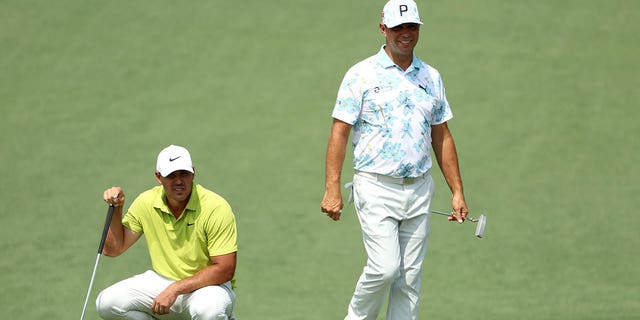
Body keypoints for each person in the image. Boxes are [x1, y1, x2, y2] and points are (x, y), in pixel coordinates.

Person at [320, 1, 470, 319]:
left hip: (419, 189)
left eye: (411, 27)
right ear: (383, 29)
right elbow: (339, 133)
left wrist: (457, 190)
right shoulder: (360, 75)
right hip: (375, 186)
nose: (406, 34)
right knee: (385, 267)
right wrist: (332, 188)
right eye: (398, 27)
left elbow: (441, 135)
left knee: (409, 280)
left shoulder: (431, 77)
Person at [96, 145, 238, 320]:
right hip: (161, 281)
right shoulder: (146, 202)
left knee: (209, 312)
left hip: (208, 287)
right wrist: (116, 208)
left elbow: (225, 269)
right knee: (107, 303)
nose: (178, 181)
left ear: (193, 173)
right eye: (171, 175)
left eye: (183, 174)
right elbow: (112, 249)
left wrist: (175, 289)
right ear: (158, 177)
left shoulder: (215, 207)